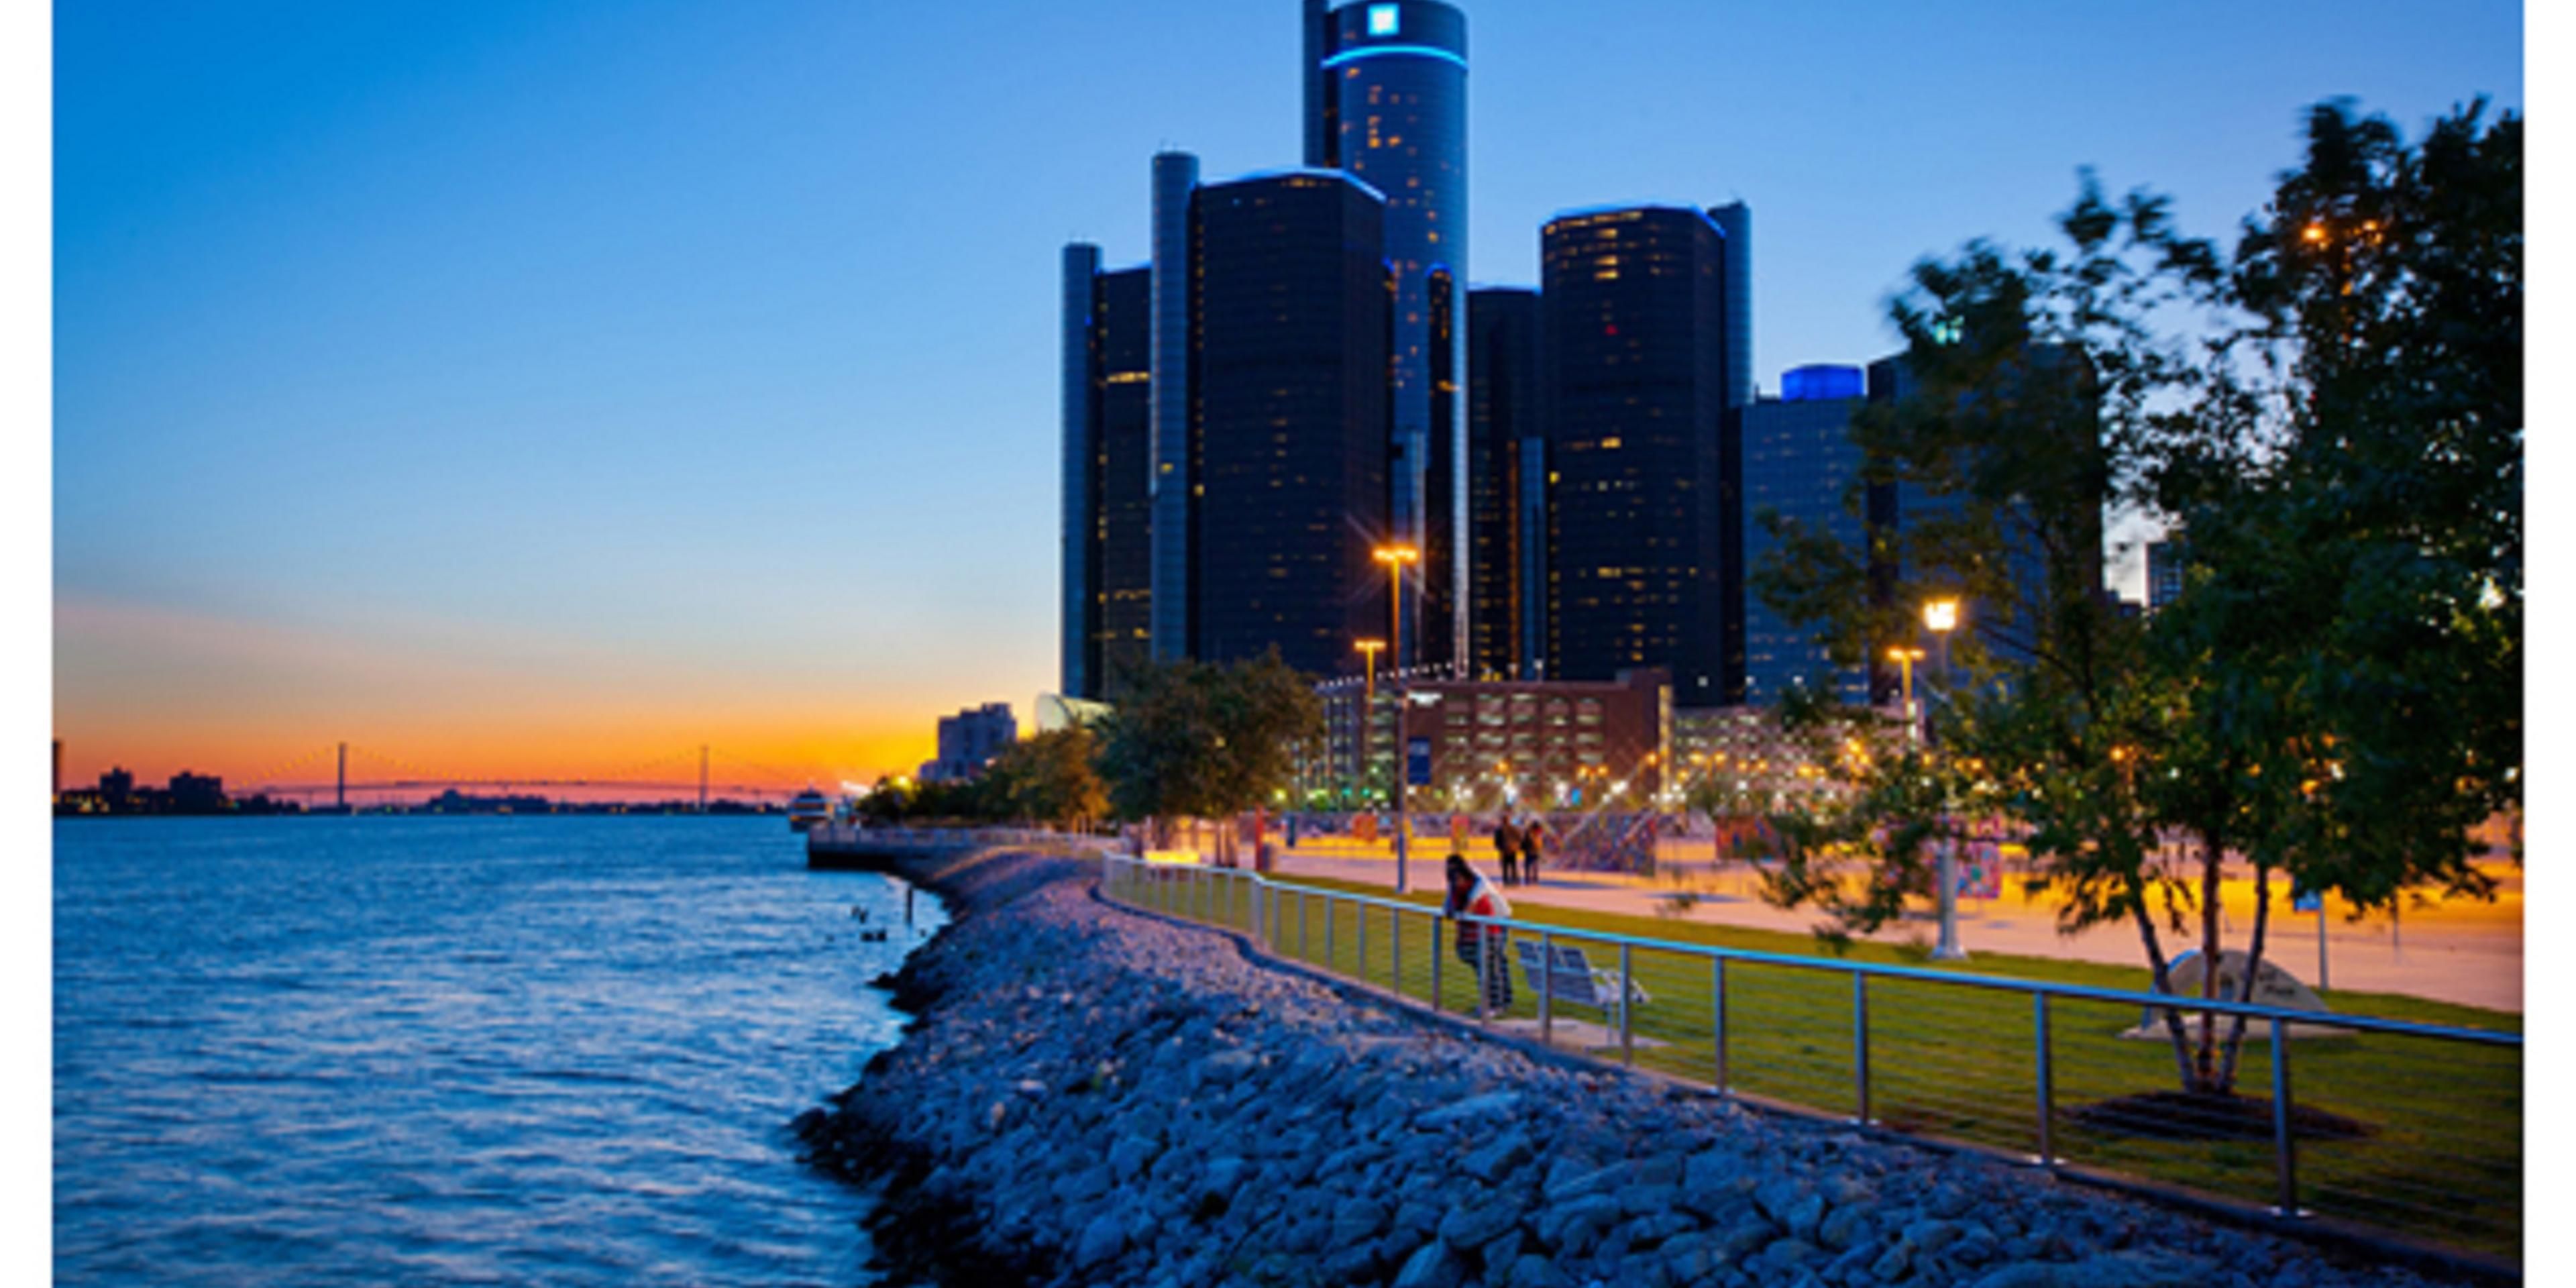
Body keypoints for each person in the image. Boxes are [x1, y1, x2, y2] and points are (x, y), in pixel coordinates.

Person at [1442, 853, 1514, 1011]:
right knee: (1490, 962)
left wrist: (1462, 911)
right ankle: (1498, 998)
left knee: (1495, 960)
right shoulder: (1455, 881)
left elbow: (1471, 902)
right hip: (1484, 925)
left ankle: (1501, 1000)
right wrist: (1449, 909)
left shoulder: (1478, 880)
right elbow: (1449, 901)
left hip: (1499, 918)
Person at [1490, 816, 1521, 886]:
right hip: (1512, 849)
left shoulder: (1499, 829)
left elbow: (1496, 841)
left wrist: (1499, 847)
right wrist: (1516, 845)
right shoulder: (1514, 828)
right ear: (1509, 820)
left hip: (1504, 850)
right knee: (1513, 866)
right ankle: (1514, 880)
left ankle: (1506, 881)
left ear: (1503, 821)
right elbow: (1519, 837)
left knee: (1505, 867)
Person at [1519, 816, 1544, 885]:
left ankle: (1527, 879)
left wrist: (1522, 848)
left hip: (1529, 850)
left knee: (1528, 865)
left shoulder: (1529, 831)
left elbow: (1525, 840)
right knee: (1535, 864)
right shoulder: (1540, 832)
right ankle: (1535, 878)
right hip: (1537, 849)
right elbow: (1541, 841)